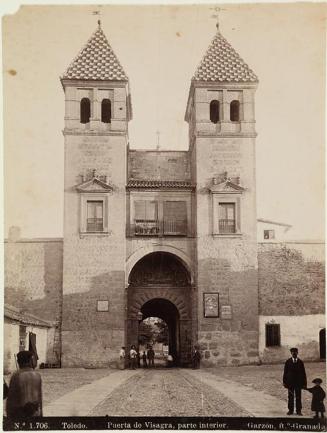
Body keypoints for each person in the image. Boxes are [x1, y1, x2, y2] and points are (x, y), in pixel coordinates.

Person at [6, 350, 43, 419]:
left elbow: (11, 400)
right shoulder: (37, 375)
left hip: (19, 415)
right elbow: (40, 398)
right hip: (35, 414)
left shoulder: (16, 376)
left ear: (18, 362)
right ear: (30, 361)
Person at [283, 347, 307, 416]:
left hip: (298, 383)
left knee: (298, 397)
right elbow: (285, 372)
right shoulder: (288, 362)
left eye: (295, 352)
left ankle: (299, 411)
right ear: (291, 353)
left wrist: (304, 384)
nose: (294, 354)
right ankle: (290, 410)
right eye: (293, 353)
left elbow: (303, 373)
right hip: (290, 383)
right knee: (290, 397)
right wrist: (284, 382)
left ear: (297, 353)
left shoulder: (300, 362)